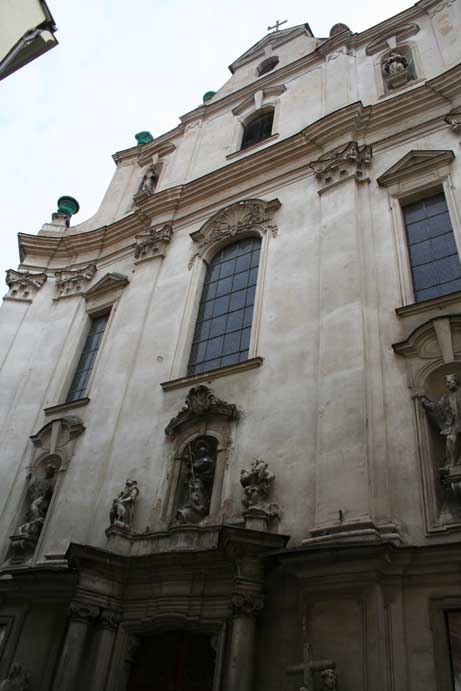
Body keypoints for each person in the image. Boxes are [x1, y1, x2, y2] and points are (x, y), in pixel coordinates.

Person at [416, 373, 461, 467]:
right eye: (446, 382)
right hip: (455, 424)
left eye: (449, 382)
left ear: (455, 382)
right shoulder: (446, 397)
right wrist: (426, 404)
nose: (447, 384)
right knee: (450, 438)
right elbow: (438, 407)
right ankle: (451, 462)